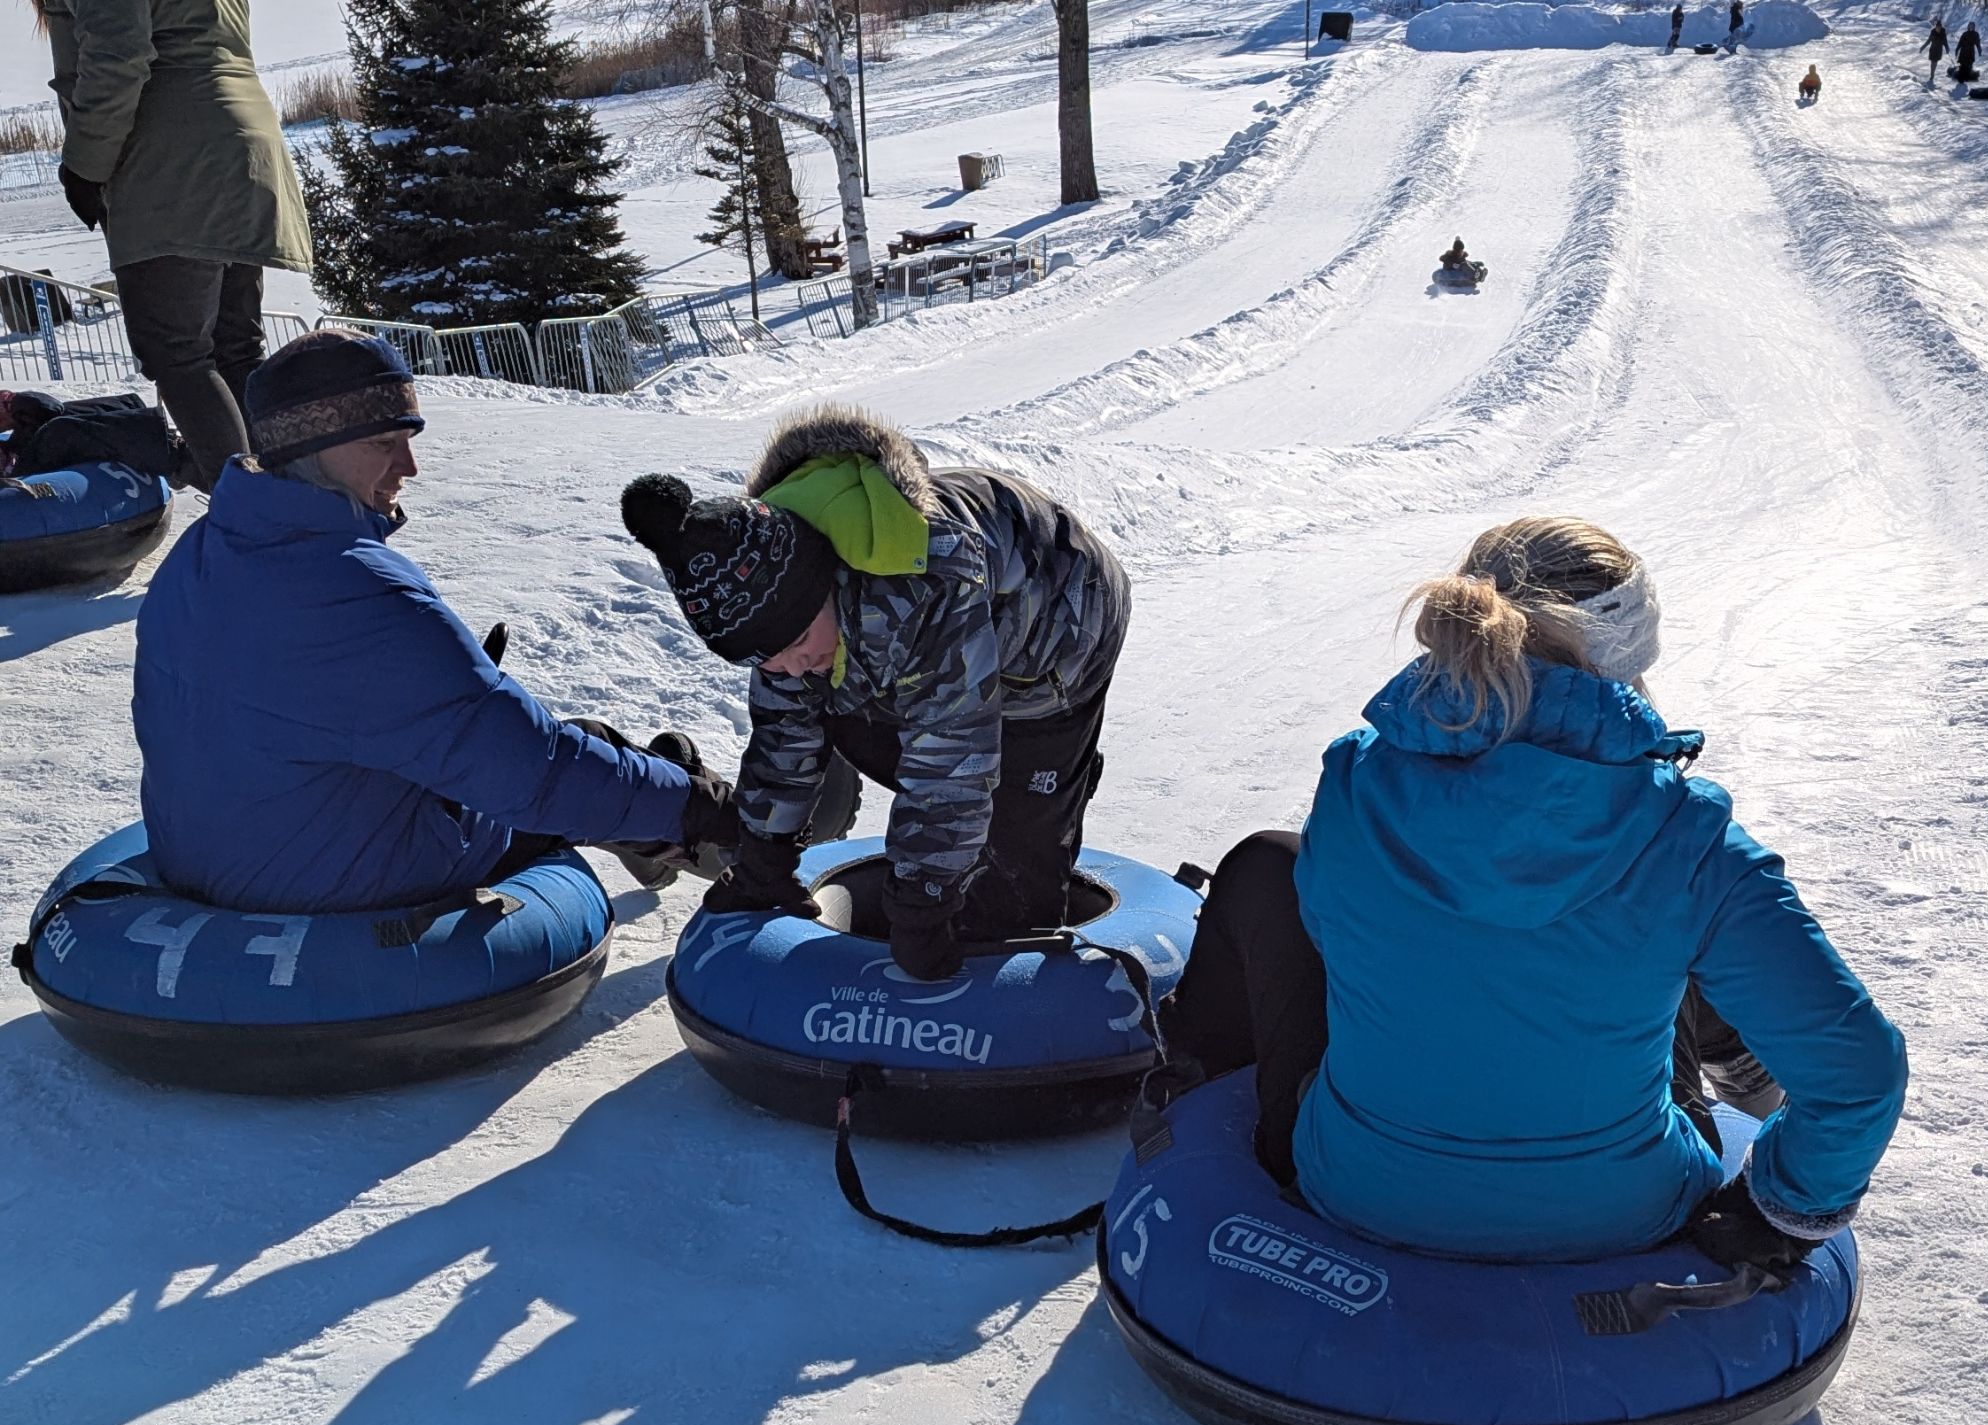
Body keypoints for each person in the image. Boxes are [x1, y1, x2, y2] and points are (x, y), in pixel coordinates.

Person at [1157, 516, 1906, 1269]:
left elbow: (1326, 934)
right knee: (1655, 936)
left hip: (1357, 1186)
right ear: (1630, 651)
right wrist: (1783, 1213)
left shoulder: (1355, 781)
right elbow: (1861, 1071)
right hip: (1626, 1210)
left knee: (1267, 865)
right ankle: (1740, 1056)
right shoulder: (1684, 833)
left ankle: (1192, 1085)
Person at [133, 330, 736, 915]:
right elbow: (532, 768)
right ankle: (728, 845)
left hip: (211, 848)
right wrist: (704, 806)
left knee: (507, 753)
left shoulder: (199, 552)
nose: (410, 466)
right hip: (331, 881)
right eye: (382, 442)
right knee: (579, 752)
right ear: (309, 447)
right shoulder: (359, 592)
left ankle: (655, 833)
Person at [619, 405, 1130, 982]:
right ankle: (881, 796)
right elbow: (782, 734)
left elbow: (949, 760)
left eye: (794, 642)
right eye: (764, 657)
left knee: (1016, 829)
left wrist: (923, 902)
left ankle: (1053, 800)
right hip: (885, 641)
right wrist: (764, 856)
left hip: (1056, 641)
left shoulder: (930, 585)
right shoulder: (772, 595)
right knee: (821, 705)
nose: (787, 664)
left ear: (820, 585)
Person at [33, 0, 312, 492]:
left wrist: (84, 164)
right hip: (242, 144)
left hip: (172, 158)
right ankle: (293, 508)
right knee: (235, 350)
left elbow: (119, 55)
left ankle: (255, 522)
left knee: (177, 354)